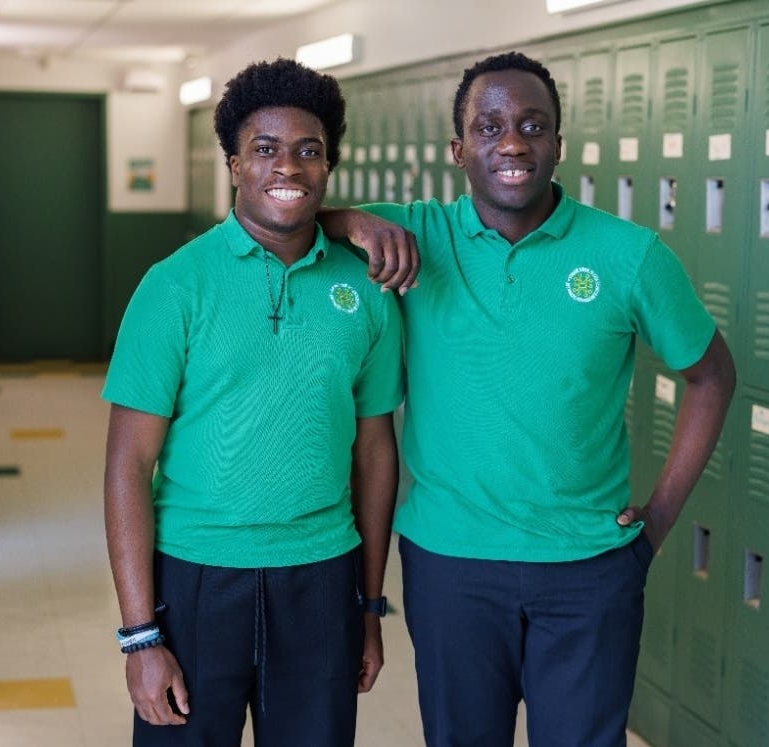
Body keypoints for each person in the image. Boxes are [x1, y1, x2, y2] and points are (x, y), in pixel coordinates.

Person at [318, 51, 736, 747]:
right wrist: (356, 222)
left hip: (589, 569)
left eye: (532, 126)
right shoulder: (418, 233)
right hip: (450, 565)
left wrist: (658, 520)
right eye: (489, 127)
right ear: (458, 150)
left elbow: (712, 376)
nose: (512, 143)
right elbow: (294, 217)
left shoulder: (629, 254)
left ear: (558, 145)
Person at [102, 58, 403, 747]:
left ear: (329, 164)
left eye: (308, 150)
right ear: (235, 164)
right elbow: (128, 465)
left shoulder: (366, 290)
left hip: (322, 575)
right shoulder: (174, 286)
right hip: (196, 578)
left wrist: (368, 605)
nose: (288, 166)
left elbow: (375, 451)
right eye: (265, 149)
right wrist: (140, 636)